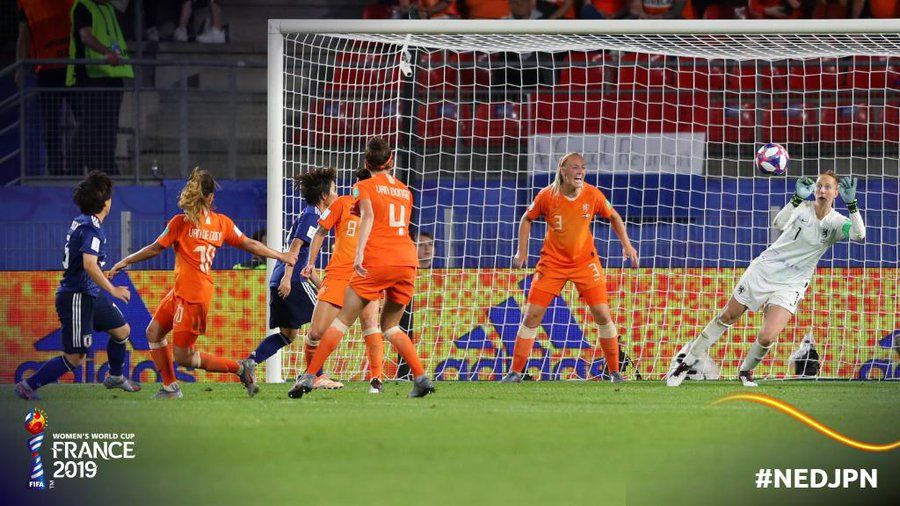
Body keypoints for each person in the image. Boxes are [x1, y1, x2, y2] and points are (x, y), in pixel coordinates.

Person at [108, 168, 297, 398]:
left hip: (193, 298)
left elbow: (156, 248)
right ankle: (170, 388)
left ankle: (239, 368)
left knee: (184, 357)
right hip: (183, 292)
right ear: (211, 197)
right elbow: (250, 244)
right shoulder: (221, 223)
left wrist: (126, 260)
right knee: (154, 332)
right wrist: (281, 255)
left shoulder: (180, 222)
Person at [667, 172, 866, 387]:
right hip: (764, 271)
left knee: (767, 337)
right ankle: (686, 363)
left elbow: (859, 235)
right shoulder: (802, 208)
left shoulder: (837, 222)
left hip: (792, 283)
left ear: (836, 192)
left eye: (827, 187)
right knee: (727, 316)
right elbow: (778, 223)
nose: (822, 190)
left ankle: (745, 371)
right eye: (819, 186)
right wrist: (796, 198)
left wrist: (852, 205)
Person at [289, 137, 435, 399]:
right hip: (407, 260)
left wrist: (359, 254)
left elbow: (367, 215)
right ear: (391, 161)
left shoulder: (362, 187)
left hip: (376, 261)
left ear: (367, 163)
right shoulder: (405, 191)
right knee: (390, 326)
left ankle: (310, 375)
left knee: (343, 320)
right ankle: (421, 377)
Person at [502, 153, 639, 384]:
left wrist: (627, 245)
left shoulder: (592, 194)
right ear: (563, 170)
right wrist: (521, 251)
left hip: (585, 263)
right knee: (532, 315)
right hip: (552, 264)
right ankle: (515, 372)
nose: (580, 171)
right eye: (575, 167)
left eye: (583, 167)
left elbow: (614, 216)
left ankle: (615, 372)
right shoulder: (547, 195)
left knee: (602, 314)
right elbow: (527, 218)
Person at [16, 171, 139, 400]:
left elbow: (87, 264)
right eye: (110, 197)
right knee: (76, 358)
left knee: (122, 331)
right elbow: (89, 265)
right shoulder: (91, 229)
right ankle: (27, 386)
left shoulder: (84, 222)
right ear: (105, 203)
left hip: (89, 293)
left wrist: (101, 274)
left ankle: (115, 376)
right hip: (76, 297)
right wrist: (112, 289)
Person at [243, 167, 346, 394]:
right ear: (324, 196)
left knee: (287, 335)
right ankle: (316, 376)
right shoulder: (313, 216)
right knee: (325, 323)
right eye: (335, 190)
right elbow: (295, 249)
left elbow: (307, 265)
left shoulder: (310, 214)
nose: (337, 195)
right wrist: (288, 279)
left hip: (281, 279)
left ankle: (250, 362)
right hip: (293, 281)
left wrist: (322, 286)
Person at [299, 166, 385, 394]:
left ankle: (376, 379)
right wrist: (310, 263)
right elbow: (320, 232)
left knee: (371, 324)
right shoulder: (342, 203)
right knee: (315, 333)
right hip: (338, 274)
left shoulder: (381, 210)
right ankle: (315, 376)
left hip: (366, 275)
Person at [66, 0, 133, 175]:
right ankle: (74, 167)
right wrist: (107, 52)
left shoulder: (108, 8)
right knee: (90, 125)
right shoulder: (83, 6)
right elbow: (86, 36)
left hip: (112, 76)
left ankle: (104, 168)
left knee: (108, 128)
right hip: (91, 77)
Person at [17, 0, 74, 175]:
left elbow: (24, 36)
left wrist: (19, 69)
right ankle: (63, 169)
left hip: (68, 67)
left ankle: (68, 168)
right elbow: (24, 35)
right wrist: (19, 68)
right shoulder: (27, 3)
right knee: (55, 124)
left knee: (73, 122)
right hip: (53, 68)